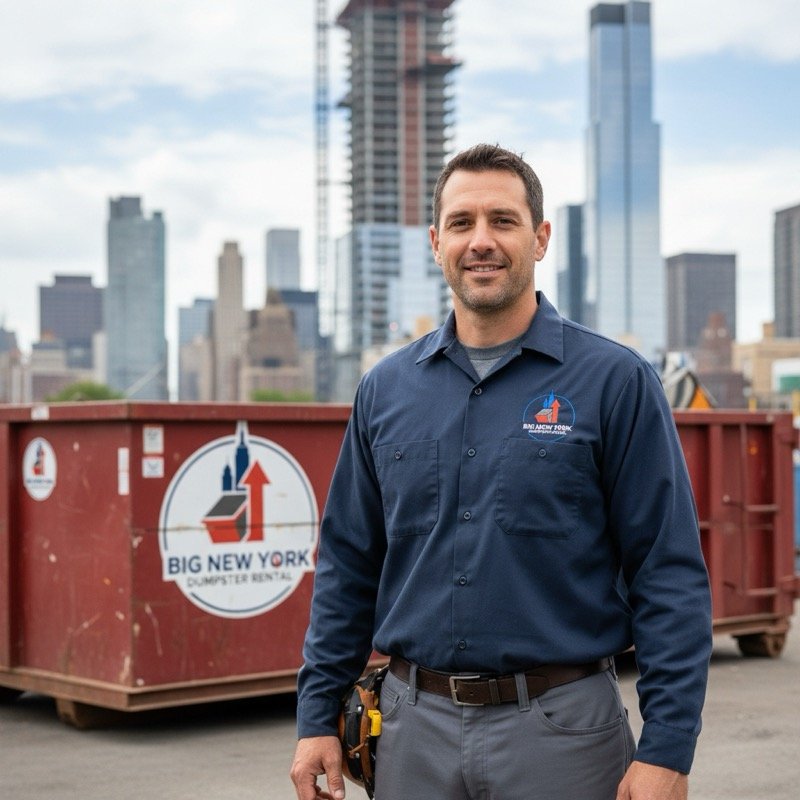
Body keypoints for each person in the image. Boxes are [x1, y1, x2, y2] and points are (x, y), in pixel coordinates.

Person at [290, 143, 712, 800]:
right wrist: (315, 716)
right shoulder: (385, 390)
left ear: (540, 239)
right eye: (461, 223)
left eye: (503, 221)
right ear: (436, 243)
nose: (480, 241)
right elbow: (347, 563)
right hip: (409, 731)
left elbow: (669, 573)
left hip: (563, 733)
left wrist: (669, 746)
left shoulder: (615, 382)